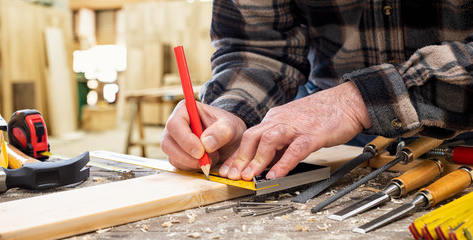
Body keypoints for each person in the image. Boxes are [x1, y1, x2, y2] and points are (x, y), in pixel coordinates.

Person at [160, 0, 473, 181]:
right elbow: (259, 45)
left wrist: (357, 101)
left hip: (463, 132)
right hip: (332, 142)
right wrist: (231, 114)